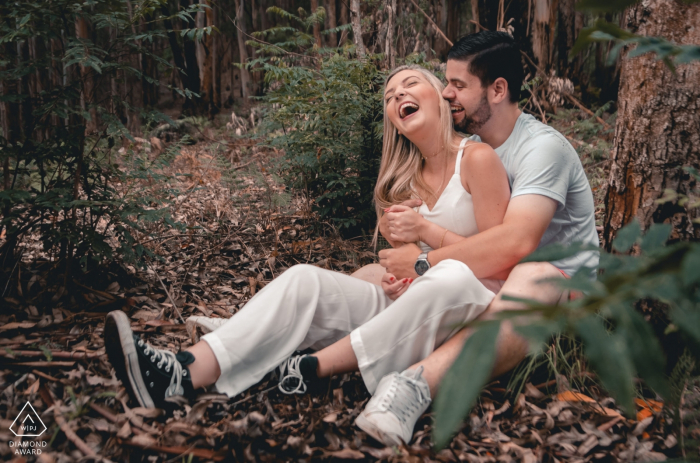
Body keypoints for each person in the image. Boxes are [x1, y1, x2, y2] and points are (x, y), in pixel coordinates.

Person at [103, 64, 513, 412]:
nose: (397, 96)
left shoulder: (476, 159)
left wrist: (425, 235)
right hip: (411, 302)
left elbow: (498, 255)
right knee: (304, 279)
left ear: (440, 96)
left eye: (409, 85)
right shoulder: (402, 181)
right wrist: (398, 271)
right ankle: (181, 372)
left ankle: (303, 360)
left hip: (462, 307)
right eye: (389, 96)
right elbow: (405, 259)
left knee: (450, 280)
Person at [351, 31, 600, 447]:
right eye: (446, 83)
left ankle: (414, 386)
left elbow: (515, 244)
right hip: (490, 278)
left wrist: (423, 260)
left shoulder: (541, 149)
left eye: (459, 85)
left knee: (533, 274)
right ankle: (265, 337)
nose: (446, 93)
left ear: (497, 90)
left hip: (557, 289)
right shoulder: (472, 146)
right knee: (368, 274)